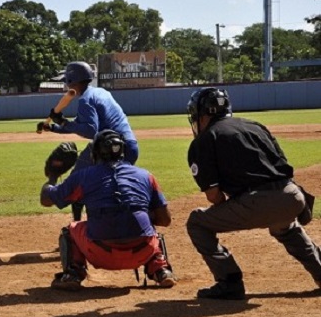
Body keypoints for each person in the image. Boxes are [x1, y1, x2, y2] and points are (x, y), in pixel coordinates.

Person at [186, 87, 321, 300]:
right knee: (286, 228)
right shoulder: (255, 126)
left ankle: (229, 281)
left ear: (202, 116)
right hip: (293, 196)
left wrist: (236, 205)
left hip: (257, 202)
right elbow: (282, 167)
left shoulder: (204, 141)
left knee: (197, 222)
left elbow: (214, 196)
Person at [40, 129, 176, 291]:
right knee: (151, 231)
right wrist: (137, 215)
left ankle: (73, 274)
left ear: (95, 153)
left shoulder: (84, 176)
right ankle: (161, 270)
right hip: (142, 252)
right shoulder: (146, 176)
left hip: (100, 253)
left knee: (70, 231)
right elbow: (165, 220)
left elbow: (46, 200)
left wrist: (53, 176)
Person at [40, 61, 139, 221]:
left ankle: (77, 225)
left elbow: (91, 130)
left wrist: (63, 122)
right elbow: (79, 125)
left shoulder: (85, 100)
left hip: (107, 148)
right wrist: (53, 127)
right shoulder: (100, 92)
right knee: (112, 188)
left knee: (76, 182)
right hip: (130, 147)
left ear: (71, 81)